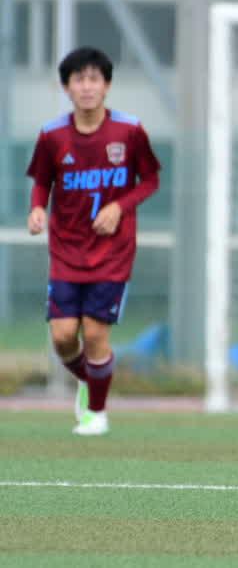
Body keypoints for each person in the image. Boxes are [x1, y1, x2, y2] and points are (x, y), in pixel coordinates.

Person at [26, 46, 161, 436]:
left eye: (94, 79)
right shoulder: (52, 135)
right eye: (78, 79)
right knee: (63, 337)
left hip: (113, 253)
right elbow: (42, 182)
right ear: (66, 87)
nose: (86, 87)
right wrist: (37, 209)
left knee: (96, 333)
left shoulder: (129, 131)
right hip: (66, 250)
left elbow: (150, 180)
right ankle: (91, 378)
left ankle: (96, 413)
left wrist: (119, 206)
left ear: (107, 86)